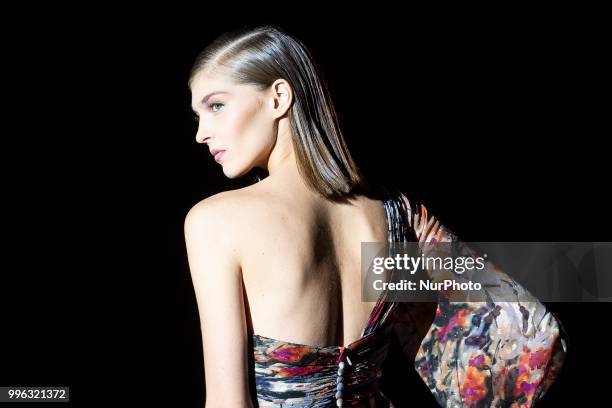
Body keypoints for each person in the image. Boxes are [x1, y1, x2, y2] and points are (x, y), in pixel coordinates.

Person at [183, 25, 567, 407]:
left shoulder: (217, 221)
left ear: (278, 97)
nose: (201, 133)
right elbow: (522, 343)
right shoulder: (394, 213)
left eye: (216, 105)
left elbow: (226, 402)